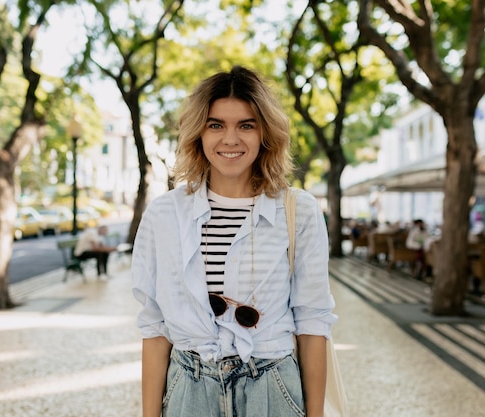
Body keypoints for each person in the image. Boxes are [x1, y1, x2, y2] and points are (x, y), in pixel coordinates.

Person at [131, 66, 336, 417]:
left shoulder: (298, 210)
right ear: (198, 133)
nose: (230, 139)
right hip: (188, 391)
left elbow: (312, 321)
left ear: (265, 134)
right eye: (215, 125)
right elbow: (155, 326)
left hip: (272, 389)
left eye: (246, 125)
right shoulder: (164, 214)